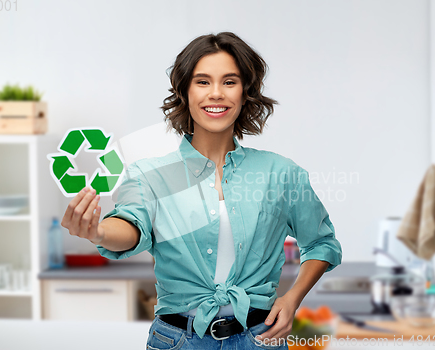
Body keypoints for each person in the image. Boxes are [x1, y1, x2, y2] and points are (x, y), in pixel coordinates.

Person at [61, 32, 342, 350]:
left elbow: (321, 244)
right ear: (185, 91)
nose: (217, 94)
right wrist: (97, 230)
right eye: (203, 82)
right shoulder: (150, 175)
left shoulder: (281, 173)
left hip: (260, 338)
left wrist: (292, 299)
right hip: (177, 340)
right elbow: (130, 225)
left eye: (230, 82)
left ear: (245, 91)